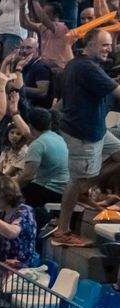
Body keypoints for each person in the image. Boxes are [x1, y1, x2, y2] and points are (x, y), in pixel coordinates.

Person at [52, 27, 118, 245]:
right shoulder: (89, 68)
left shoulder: (77, 64)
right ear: (89, 44)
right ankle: (63, 230)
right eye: (104, 44)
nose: (109, 49)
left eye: (110, 44)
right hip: (84, 133)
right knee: (76, 181)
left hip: (95, 129)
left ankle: (83, 190)